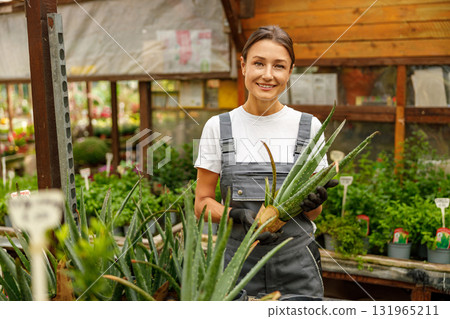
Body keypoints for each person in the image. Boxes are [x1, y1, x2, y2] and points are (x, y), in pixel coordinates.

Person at [194, 25, 337, 299]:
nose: (268, 75)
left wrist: (314, 202)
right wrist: (235, 215)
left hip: (297, 266)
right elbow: (201, 203)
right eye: (259, 63)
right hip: (237, 264)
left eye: (279, 66)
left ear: (290, 71)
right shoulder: (219, 127)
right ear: (243, 66)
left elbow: (314, 214)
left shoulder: (309, 127)